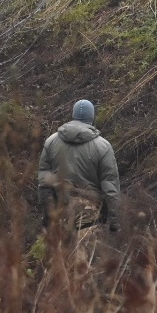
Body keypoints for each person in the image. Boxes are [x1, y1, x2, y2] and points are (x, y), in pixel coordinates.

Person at [35, 99, 120, 245]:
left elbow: (44, 182)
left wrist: (49, 214)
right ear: (92, 118)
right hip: (89, 215)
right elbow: (110, 187)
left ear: (73, 115)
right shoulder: (103, 146)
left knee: (58, 262)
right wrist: (114, 221)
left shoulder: (51, 141)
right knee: (85, 263)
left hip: (60, 212)